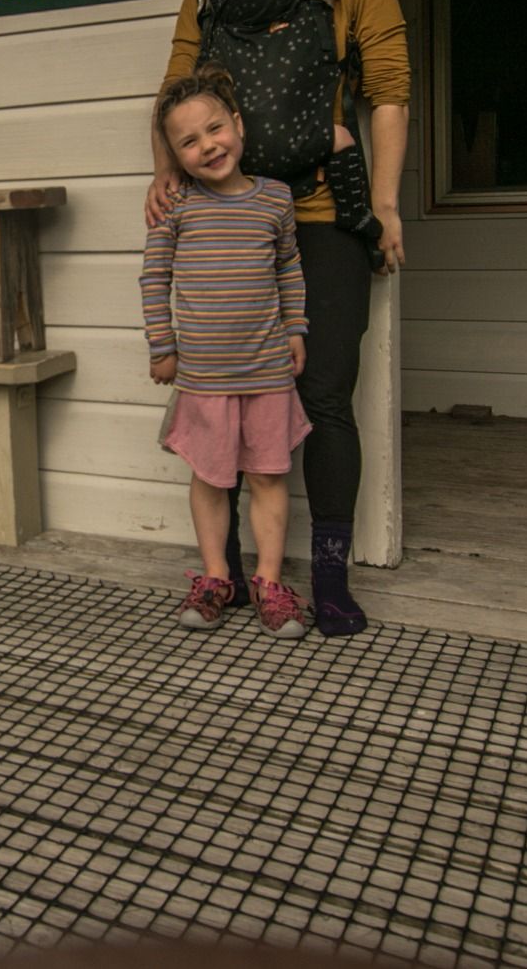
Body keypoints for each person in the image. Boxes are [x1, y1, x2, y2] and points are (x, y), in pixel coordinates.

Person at [145, 0, 410, 638]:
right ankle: (223, 575)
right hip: (225, 215)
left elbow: (389, 89)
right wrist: (165, 174)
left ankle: (326, 576)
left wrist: (389, 203)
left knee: (324, 393)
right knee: (221, 395)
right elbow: (174, 91)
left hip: (322, 211)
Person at [142, 67, 313, 638]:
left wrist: (296, 329)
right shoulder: (177, 207)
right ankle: (217, 577)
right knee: (211, 479)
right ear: (174, 155)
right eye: (188, 141)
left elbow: (288, 267)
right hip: (204, 375)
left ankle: (268, 581)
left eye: (214, 129)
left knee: (268, 476)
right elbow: (153, 278)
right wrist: (162, 346)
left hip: (267, 369)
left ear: (237, 125)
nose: (207, 145)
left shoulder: (276, 200)